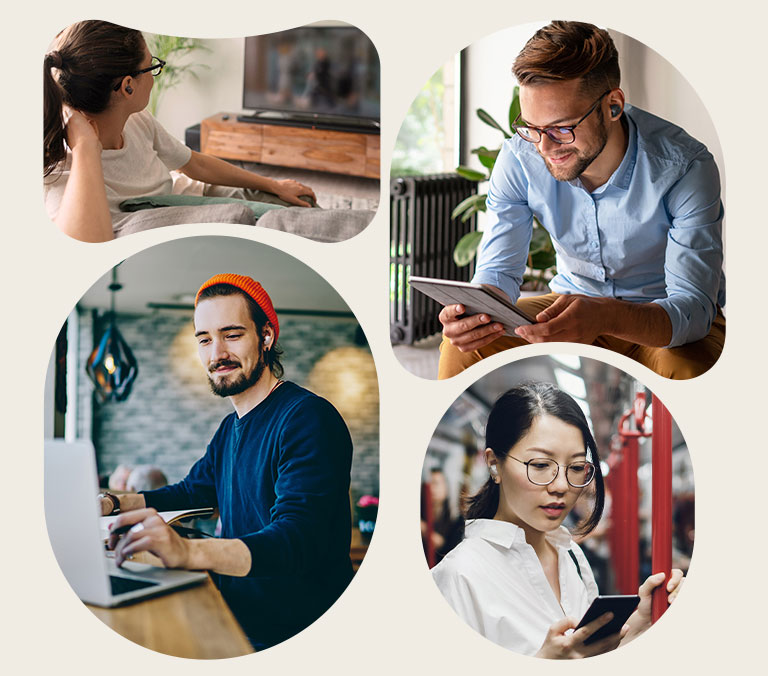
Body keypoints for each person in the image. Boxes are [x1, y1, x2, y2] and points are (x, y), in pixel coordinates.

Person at [438, 21, 725, 381]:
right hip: (568, 306)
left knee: (687, 368)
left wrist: (606, 315)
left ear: (614, 106)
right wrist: (476, 315)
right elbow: (498, 274)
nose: (543, 147)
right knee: (461, 348)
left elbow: (694, 310)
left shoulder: (685, 167)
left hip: (662, 318)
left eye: (561, 128)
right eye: (531, 127)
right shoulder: (520, 157)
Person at [100, 273, 355, 651]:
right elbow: (190, 492)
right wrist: (114, 502)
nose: (216, 354)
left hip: (297, 631)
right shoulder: (229, 429)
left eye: (232, 335)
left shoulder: (307, 418)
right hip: (239, 619)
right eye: (204, 339)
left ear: (266, 336)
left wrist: (187, 552)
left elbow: (298, 538)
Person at [431, 382, 683, 658]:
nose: (562, 486)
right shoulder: (458, 575)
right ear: (494, 464)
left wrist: (641, 623)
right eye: (540, 465)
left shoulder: (571, 554)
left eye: (576, 468)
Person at [43, 21, 317, 243]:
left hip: (187, 193)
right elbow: (86, 244)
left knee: (301, 203)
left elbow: (193, 163)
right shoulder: (61, 173)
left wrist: (273, 184)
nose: (155, 73)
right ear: (128, 86)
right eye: (152, 66)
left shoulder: (138, 120)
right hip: (176, 214)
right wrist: (86, 148)